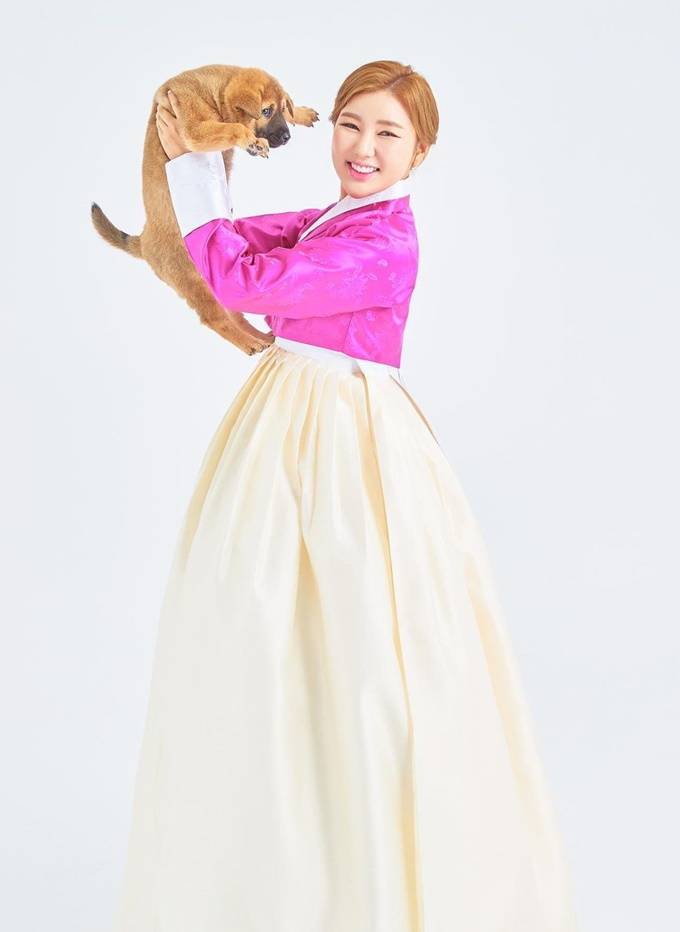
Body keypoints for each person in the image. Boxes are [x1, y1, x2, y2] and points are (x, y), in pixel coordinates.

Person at [112, 61, 580, 931]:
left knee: (363, 638)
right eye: (351, 124)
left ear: (420, 152)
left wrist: (195, 172)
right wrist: (199, 166)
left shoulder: (386, 242)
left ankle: (359, 868)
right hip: (285, 417)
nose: (362, 147)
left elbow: (247, 283)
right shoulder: (335, 218)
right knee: (256, 624)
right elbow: (233, 243)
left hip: (344, 436)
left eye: (387, 133)